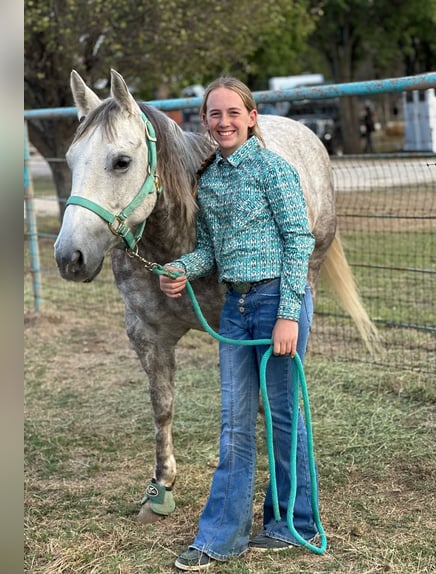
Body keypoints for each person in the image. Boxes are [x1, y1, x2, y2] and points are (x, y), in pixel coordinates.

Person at [159, 77, 320, 571]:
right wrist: (183, 267)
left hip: (278, 303)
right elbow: (211, 248)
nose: (224, 122)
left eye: (233, 113)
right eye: (214, 114)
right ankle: (222, 536)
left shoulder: (274, 170)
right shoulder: (208, 181)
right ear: (204, 122)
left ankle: (294, 523)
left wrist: (289, 314)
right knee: (234, 424)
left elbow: (299, 240)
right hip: (237, 307)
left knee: (282, 417)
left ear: (251, 117)